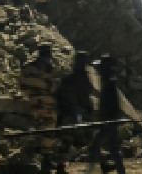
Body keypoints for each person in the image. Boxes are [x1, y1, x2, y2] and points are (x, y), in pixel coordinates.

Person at [18, 43, 60, 174]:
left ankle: (45, 162)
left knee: (48, 135)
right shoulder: (33, 68)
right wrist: (43, 84)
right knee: (40, 134)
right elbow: (24, 84)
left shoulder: (48, 68)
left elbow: (53, 87)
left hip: (46, 105)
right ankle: (35, 162)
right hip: (39, 104)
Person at [85, 55, 125, 174]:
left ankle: (92, 171)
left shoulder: (110, 83)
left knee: (105, 148)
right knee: (108, 148)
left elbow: (112, 105)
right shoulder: (108, 81)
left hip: (109, 122)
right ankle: (107, 169)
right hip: (107, 121)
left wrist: (108, 120)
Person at [55, 51, 93, 172]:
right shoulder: (71, 80)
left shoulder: (84, 79)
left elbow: (86, 97)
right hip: (69, 115)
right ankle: (59, 165)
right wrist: (77, 112)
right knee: (66, 140)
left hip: (79, 113)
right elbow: (68, 98)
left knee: (82, 140)